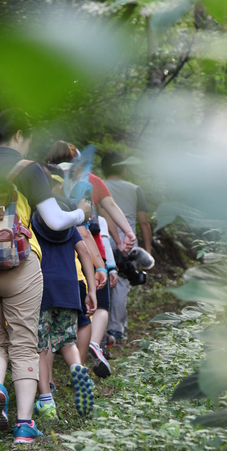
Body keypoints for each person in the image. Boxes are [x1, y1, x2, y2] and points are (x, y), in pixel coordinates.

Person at [0, 110, 91, 444]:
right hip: (20, 262)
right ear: (19, 135)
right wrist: (81, 213)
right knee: (24, 342)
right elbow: (55, 220)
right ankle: (23, 424)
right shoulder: (28, 168)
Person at [46, 141, 136, 371]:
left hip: (55, 254)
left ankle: (50, 378)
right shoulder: (91, 180)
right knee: (98, 306)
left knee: (55, 313)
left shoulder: (44, 178)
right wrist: (127, 233)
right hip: (90, 250)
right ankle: (85, 355)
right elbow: (110, 207)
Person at [32, 201, 97, 419]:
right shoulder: (70, 230)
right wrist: (91, 290)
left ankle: (47, 402)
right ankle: (77, 367)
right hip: (69, 289)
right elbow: (85, 254)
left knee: (41, 346)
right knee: (67, 342)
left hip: (42, 289)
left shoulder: (33, 225)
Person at [101, 150, 152, 342]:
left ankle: (100, 328)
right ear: (123, 169)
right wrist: (147, 250)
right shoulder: (135, 189)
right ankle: (116, 329)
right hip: (128, 243)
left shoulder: (98, 186)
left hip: (103, 239)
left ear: (103, 170)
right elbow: (144, 222)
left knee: (102, 281)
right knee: (122, 284)